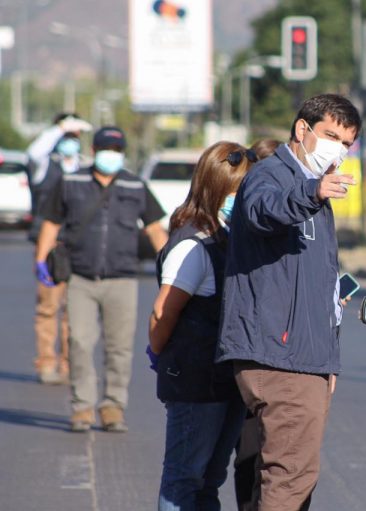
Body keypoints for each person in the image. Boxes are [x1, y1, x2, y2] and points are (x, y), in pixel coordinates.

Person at [216, 94, 361, 511]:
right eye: (331, 136)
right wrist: (311, 192)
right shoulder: (273, 177)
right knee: (290, 478)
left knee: (286, 478)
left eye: (347, 143)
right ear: (303, 130)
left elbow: (316, 286)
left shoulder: (311, 190)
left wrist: (327, 361)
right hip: (281, 358)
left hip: (304, 359)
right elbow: (265, 211)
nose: (339, 150)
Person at [34, 126, 168, 433]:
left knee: (119, 346)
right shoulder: (71, 182)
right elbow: (52, 223)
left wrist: (171, 264)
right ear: (94, 151)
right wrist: (42, 260)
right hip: (80, 277)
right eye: (107, 149)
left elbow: (155, 229)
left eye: (118, 150)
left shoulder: (135, 185)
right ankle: (82, 407)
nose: (112, 155)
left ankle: (112, 406)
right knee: (79, 341)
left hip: (122, 278)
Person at [148, 141, 255, 511]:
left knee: (209, 480)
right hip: (197, 382)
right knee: (184, 481)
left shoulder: (228, 236)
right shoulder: (194, 244)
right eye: (241, 190)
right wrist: (163, 355)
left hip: (224, 380)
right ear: (216, 188)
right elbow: (163, 314)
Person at [230, 138, 281, 511]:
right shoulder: (257, 212)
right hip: (257, 352)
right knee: (258, 455)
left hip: (272, 351)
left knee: (269, 457)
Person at [26, 113, 92, 384]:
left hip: (76, 244)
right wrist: (58, 128)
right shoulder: (44, 164)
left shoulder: (85, 167)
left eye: (75, 136)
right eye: (68, 136)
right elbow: (34, 151)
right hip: (50, 245)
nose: (71, 141)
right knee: (48, 305)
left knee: (74, 308)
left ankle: (68, 363)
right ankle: (47, 362)